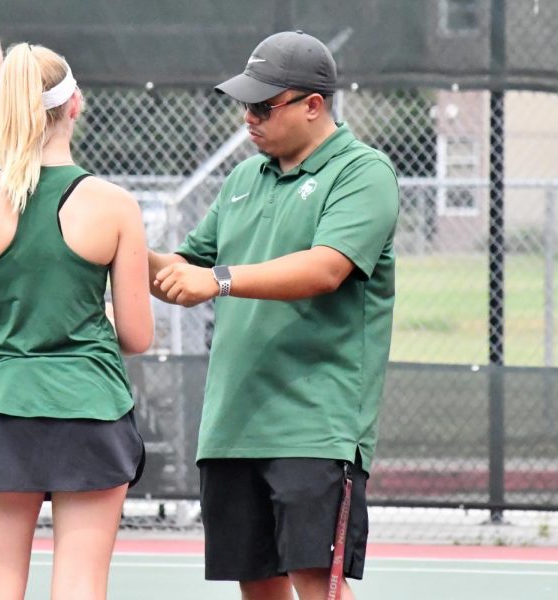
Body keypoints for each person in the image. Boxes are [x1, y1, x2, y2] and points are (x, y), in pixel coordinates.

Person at [148, 31, 399, 600]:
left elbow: (325, 269)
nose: (248, 118)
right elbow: (180, 269)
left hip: (315, 427)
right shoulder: (242, 180)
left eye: (264, 106)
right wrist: (111, 242)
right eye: (244, 104)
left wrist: (219, 280)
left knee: (318, 586)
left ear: (314, 105)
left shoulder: (363, 172)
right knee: (257, 586)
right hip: (233, 426)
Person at [0, 43, 154, 600]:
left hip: (3, 413)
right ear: (74, 105)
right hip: (92, 409)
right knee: (80, 585)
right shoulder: (114, 205)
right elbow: (137, 336)